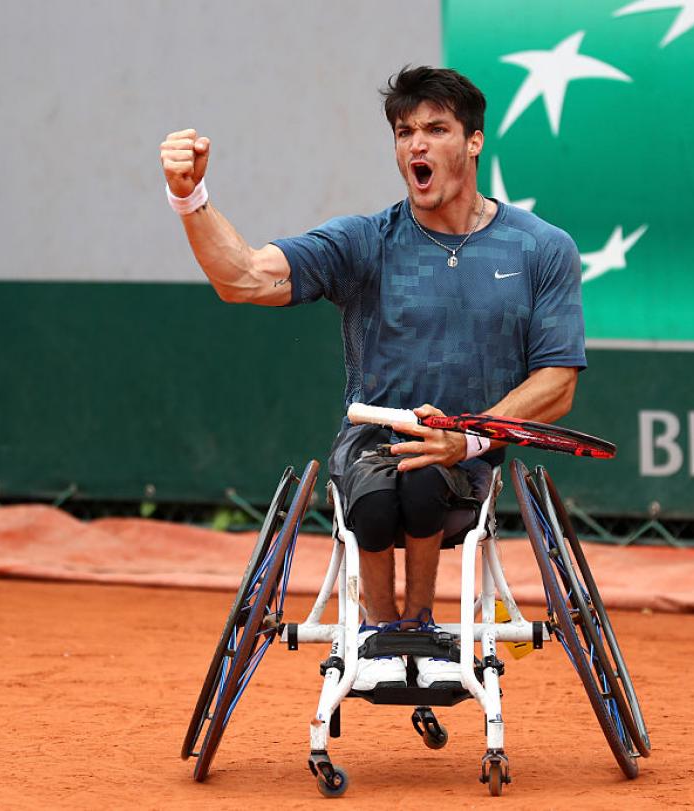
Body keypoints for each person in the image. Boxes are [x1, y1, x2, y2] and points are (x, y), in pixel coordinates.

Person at [160, 66, 585, 691]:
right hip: (371, 449)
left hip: (471, 456)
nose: (417, 144)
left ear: (473, 142)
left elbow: (558, 381)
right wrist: (190, 198)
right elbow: (244, 277)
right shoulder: (364, 242)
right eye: (404, 131)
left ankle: (416, 623)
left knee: (423, 486)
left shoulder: (541, 248)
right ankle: (386, 643)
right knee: (386, 491)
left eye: (436, 129)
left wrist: (470, 438)